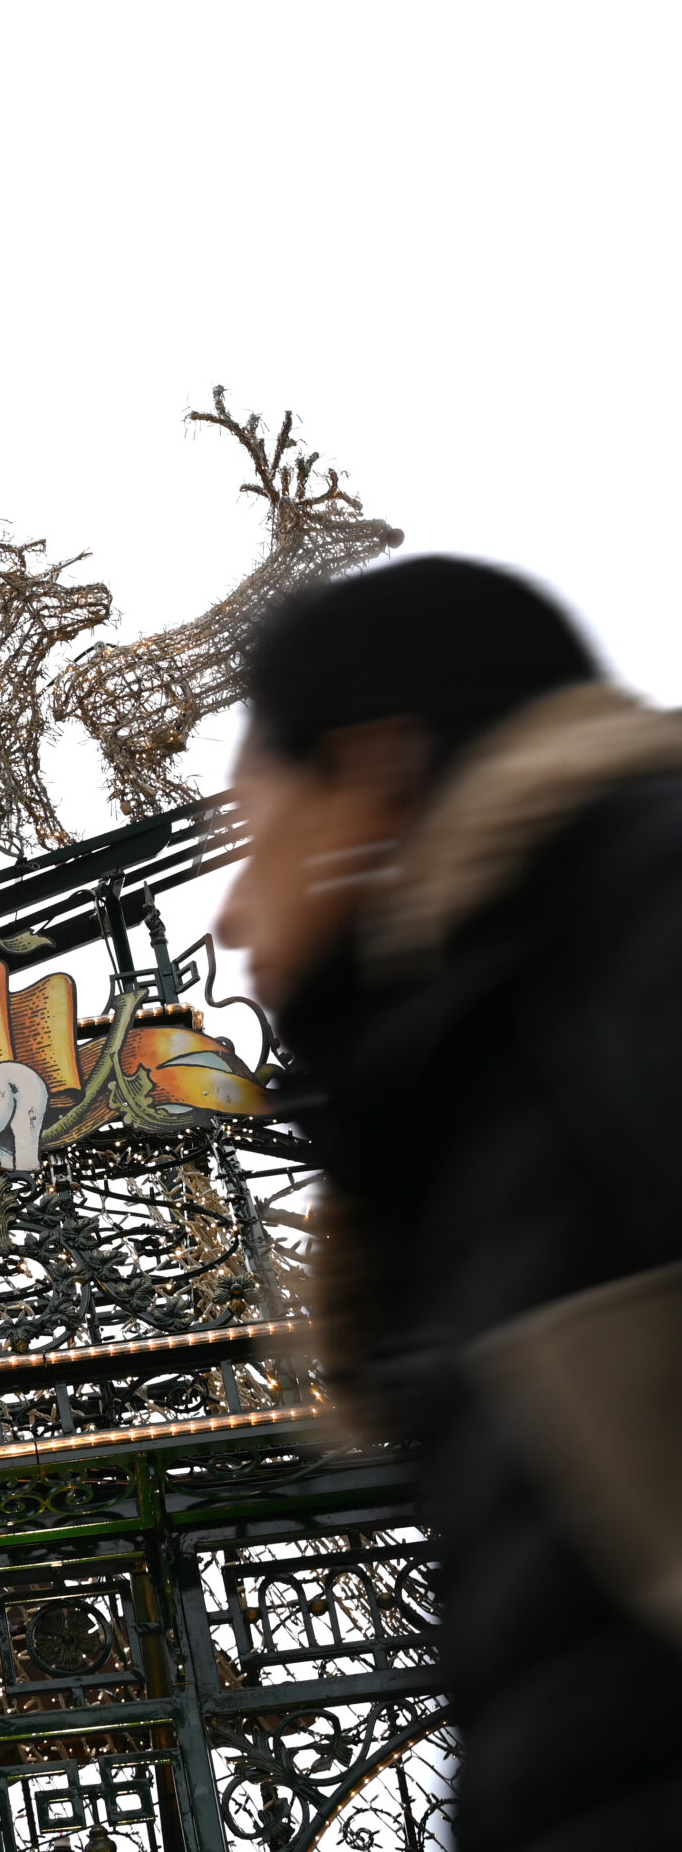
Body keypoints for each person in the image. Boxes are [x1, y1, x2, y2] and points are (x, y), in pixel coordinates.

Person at [214, 555, 682, 1852]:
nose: (231, 909)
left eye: (252, 836)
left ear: (372, 778)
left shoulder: (635, 925)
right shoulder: (464, 1101)